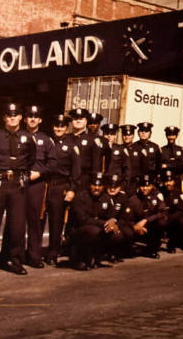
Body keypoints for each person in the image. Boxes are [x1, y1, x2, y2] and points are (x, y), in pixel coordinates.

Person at [0, 102, 36, 276]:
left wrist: (23, 178)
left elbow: (31, 160)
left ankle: (15, 261)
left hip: (17, 186)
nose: (12, 117)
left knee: (17, 227)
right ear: (4, 117)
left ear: (21, 117)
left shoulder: (27, 138)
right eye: (9, 115)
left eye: (16, 114)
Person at [17, 104, 55, 269]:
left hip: (37, 185)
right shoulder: (17, 136)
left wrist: (39, 173)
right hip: (17, 183)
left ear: (40, 120)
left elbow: (52, 162)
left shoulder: (46, 140)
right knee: (16, 221)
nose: (32, 119)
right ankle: (15, 256)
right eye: (29, 116)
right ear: (25, 119)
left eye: (35, 117)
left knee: (35, 222)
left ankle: (34, 256)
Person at [44, 113, 80, 266]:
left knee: (56, 223)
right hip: (43, 186)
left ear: (66, 128)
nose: (58, 128)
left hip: (60, 187)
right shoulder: (46, 142)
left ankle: (53, 252)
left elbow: (76, 170)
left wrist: (72, 189)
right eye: (56, 126)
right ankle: (33, 252)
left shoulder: (72, 145)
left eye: (62, 126)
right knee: (37, 221)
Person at [70, 172, 122, 270]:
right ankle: (77, 259)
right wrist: (105, 223)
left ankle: (96, 257)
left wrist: (112, 223)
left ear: (103, 186)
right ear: (89, 185)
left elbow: (112, 215)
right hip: (78, 230)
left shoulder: (106, 197)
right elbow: (83, 219)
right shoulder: (80, 197)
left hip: (97, 228)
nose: (96, 188)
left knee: (117, 234)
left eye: (99, 185)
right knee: (94, 231)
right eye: (94, 185)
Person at [122, 173, 167, 258]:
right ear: (139, 186)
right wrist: (135, 226)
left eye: (148, 186)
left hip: (151, 226)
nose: (145, 188)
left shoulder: (156, 196)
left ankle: (153, 249)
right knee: (127, 231)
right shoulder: (133, 200)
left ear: (152, 186)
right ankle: (129, 249)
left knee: (161, 223)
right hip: (138, 227)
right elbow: (127, 218)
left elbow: (163, 212)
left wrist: (146, 220)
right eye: (142, 186)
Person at [69, 108, 102, 188]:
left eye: (81, 119)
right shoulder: (66, 138)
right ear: (72, 121)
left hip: (84, 182)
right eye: (75, 119)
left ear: (86, 121)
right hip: (67, 181)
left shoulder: (93, 140)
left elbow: (96, 166)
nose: (78, 121)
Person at [121, 124, 146, 194]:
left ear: (133, 135)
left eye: (129, 135)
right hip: (120, 184)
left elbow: (143, 169)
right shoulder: (118, 148)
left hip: (134, 185)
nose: (126, 137)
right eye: (124, 135)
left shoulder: (139, 150)